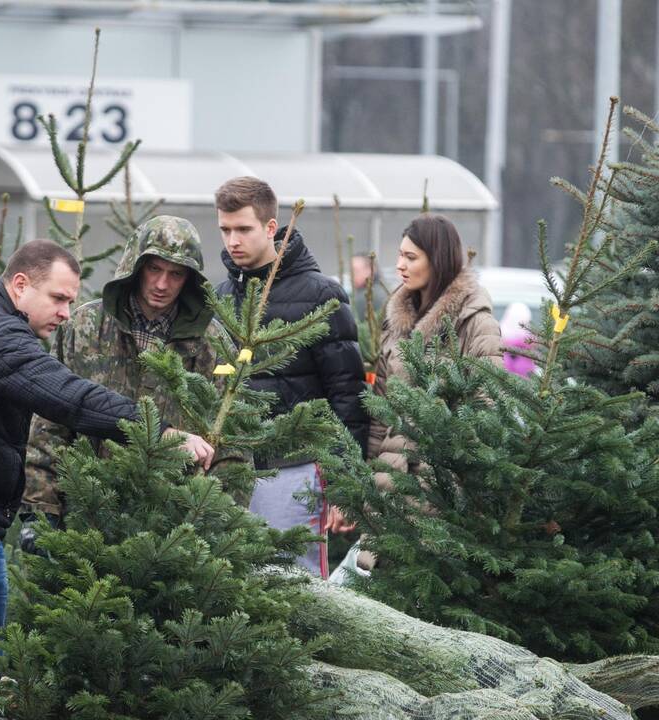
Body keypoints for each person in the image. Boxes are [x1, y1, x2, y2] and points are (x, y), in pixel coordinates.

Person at [0, 239, 214, 701]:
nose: (65, 313)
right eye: (58, 299)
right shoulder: (1, 335)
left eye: (72, 301)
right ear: (20, 285)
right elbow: (69, 397)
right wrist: (158, 430)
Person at [22, 215, 233, 526]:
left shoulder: (211, 343)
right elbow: (48, 422)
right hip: (86, 514)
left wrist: (214, 519)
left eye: (175, 274)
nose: (162, 284)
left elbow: (229, 439)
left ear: (189, 278)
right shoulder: (83, 327)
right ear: (136, 267)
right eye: (154, 269)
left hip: (173, 528)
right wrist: (40, 511)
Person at [214, 176, 367, 578]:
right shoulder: (219, 298)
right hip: (230, 472)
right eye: (225, 230)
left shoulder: (320, 296)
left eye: (243, 229)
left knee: (293, 587)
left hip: (294, 471)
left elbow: (347, 396)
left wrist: (345, 486)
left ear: (270, 228)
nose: (233, 241)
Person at [351, 214, 502, 572]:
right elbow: (380, 410)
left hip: (443, 482)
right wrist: (367, 481)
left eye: (411, 257)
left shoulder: (474, 321)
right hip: (390, 475)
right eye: (400, 255)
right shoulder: (398, 318)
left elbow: (485, 406)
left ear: (438, 259)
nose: (400, 266)